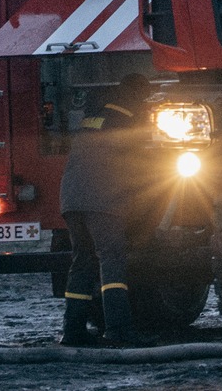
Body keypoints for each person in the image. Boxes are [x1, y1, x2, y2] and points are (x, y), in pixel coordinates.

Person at [58, 72, 152, 347]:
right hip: (102, 202)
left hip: (72, 200)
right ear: (137, 97)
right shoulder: (128, 122)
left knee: (83, 261)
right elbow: (147, 163)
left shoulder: (93, 118)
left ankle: (73, 330)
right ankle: (119, 330)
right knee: (111, 260)